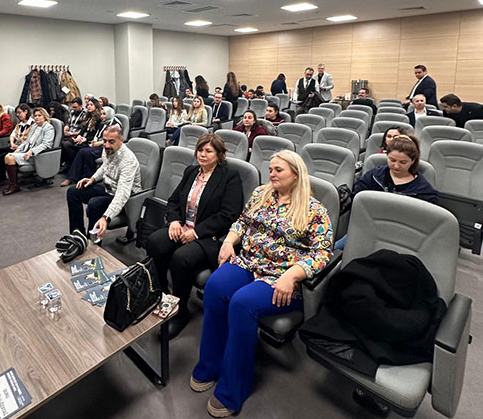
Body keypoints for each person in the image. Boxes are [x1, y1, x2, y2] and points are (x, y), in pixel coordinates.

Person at [190, 150, 333, 417]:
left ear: (296, 174)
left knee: (242, 304)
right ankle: (210, 365)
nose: (272, 174)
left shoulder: (314, 210)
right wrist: (228, 241)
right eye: (270, 169)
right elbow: (242, 222)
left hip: (282, 276)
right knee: (215, 287)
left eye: (279, 170)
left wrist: (293, 275)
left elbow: (323, 252)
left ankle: (233, 389)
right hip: (249, 262)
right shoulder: (261, 194)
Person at [146, 134, 243, 339]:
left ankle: (180, 313)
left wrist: (196, 232)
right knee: (154, 242)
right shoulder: (191, 172)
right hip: (182, 227)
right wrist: (174, 221)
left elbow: (229, 214)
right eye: (200, 150)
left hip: (209, 236)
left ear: (219, 155)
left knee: (181, 258)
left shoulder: (229, 177)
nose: (203, 154)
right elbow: (173, 201)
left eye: (209, 151)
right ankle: (162, 295)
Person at [66, 125, 142, 238]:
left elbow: (122, 194)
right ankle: (77, 235)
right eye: (104, 141)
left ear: (121, 141)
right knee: (73, 192)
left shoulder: (128, 161)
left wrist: (106, 217)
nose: (106, 145)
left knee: (94, 204)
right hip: (109, 189)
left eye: (111, 141)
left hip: (128, 199)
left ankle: (92, 240)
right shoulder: (108, 150)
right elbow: (105, 166)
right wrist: (92, 179)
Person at [60, 107, 122, 187]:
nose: (102, 116)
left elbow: (115, 140)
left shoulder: (116, 125)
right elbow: (97, 135)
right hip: (97, 145)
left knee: (85, 152)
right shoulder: (103, 123)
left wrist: (99, 143)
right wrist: (93, 141)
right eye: (101, 114)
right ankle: (75, 177)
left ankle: (85, 177)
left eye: (104, 114)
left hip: (107, 147)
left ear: (109, 114)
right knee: (81, 149)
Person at [2, 107, 54, 196]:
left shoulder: (48, 128)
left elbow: (46, 145)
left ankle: (14, 186)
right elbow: (27, 142)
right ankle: (13, 184)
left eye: (39, 115)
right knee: (8, 156)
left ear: (45, 116)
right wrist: (19, 149)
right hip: (27, 152)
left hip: (37, 155)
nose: (37, 117)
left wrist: (31, 152)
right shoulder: (34, 126)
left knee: (9, 158)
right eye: (35, 116)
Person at [61, 98, 102, 170]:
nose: (89, 106)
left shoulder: (99, 119)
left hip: (89, 141)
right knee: (64, 143)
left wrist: (85, 139)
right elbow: (83, 130)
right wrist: (79, 136)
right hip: (82, 139)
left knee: (67, 145)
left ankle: (73, 167)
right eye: (88, 105)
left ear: (96, 106)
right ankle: (71, 166)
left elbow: (96, 134)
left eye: (91, 105)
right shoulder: (88, 117)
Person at [60, 97, 86, 172]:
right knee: (59, 142)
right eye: (72, 107)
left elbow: (82, 130)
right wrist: (66, 128)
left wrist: (71, 133)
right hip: (69, 133)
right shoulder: (72, 112)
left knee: (66, 144)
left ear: (80, 106)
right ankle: (66, 164)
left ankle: (71, 164)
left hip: (77, 135)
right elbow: (69, 123)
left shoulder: (85, 114)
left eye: (75, 107)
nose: (73, 109)